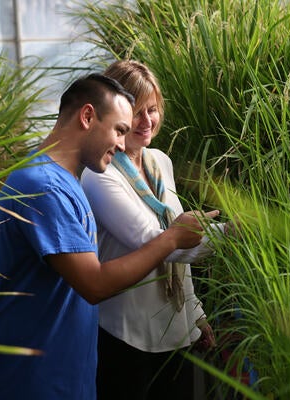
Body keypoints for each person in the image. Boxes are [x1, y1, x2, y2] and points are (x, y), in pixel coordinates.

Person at [0, 73, 218, 400]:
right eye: (119, 130)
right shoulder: (42, 186)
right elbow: (95, 283)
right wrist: (171, 238)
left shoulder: (65, 180)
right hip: (31, 383)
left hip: (68, 378)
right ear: (87, 117)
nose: (121, 143)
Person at [80, 60, 220, 400]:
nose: (146, 122)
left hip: (174, 329)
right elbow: (161, 243)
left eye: (153, 110)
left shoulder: (160, 162)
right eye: (136, 112)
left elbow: (180, 242)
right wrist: (236, 235)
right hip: (126, 335)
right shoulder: (101, 174)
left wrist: (195, 313)